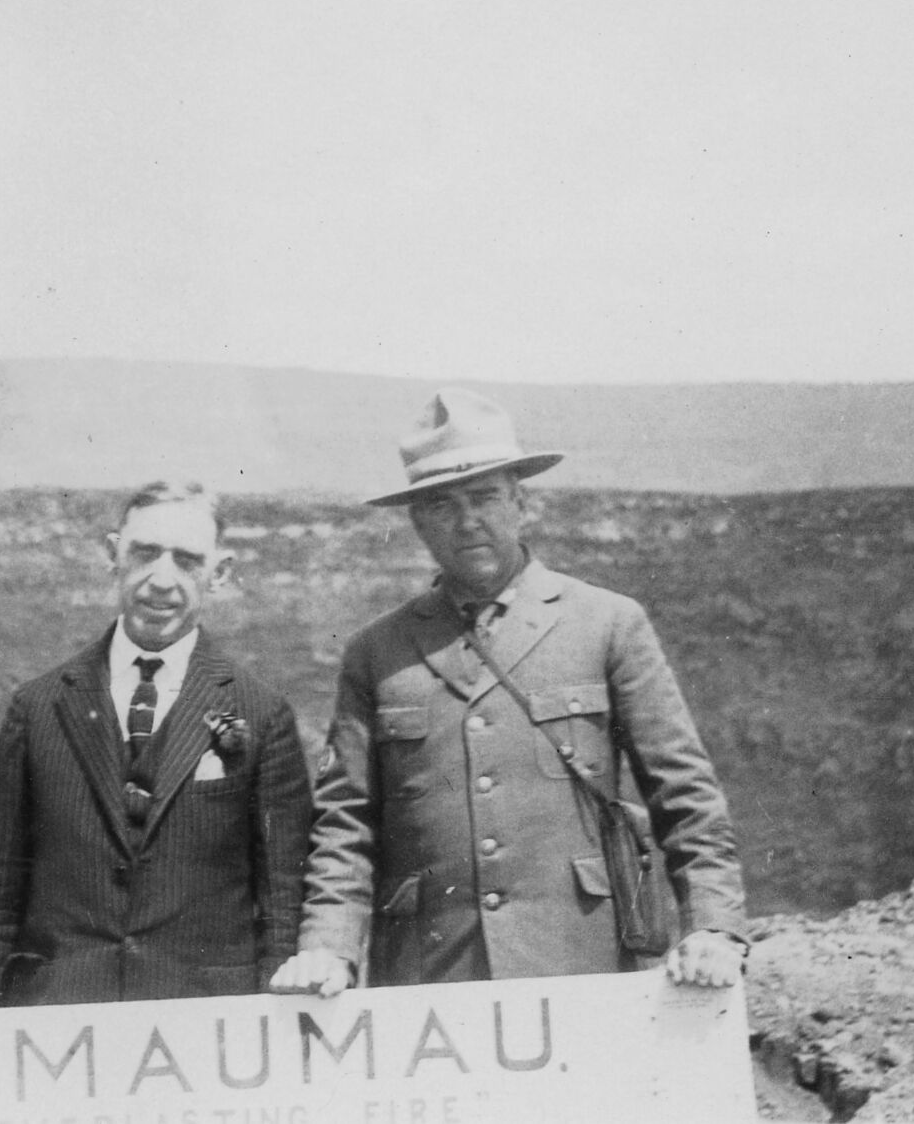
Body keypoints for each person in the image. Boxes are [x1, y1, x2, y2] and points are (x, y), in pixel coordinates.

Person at [270, 389, 750, 995]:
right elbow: (346, 823)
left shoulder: (607, 624)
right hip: (430, 975)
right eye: (442, 505)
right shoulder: (378, 652)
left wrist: (714, 927)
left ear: (522, 503)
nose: (467, 520)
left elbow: (684, 795)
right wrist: (328, 947)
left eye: (485, 497)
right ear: (417, 522)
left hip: (581, 960)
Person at [0, 481, 313, 1007]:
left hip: (201, 1020)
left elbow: (284, 900)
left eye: (187, 560)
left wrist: (274, 1026)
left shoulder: (261, 714)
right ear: (112, 554)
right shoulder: (38, 708)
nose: (161, 580)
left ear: (220, 573)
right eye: (145, 553)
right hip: (59, 1018)